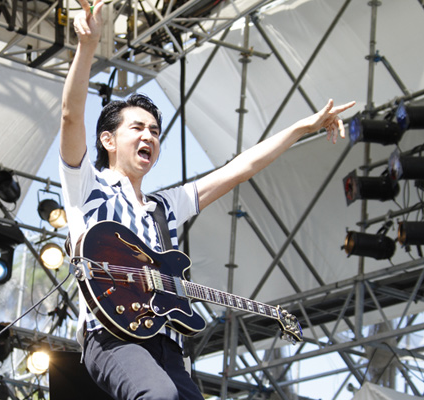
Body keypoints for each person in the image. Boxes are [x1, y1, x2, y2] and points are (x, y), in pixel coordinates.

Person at [58, 1, 356, 399]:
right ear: (108, 140)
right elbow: (70, 115)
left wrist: (302, 127)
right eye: (137, 128)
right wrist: (88, 47)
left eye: (155, 131)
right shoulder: (87, 187)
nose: (149, 136)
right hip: (112, 336)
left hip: (166, 344)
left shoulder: (166, 207)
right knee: (158, 396)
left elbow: (241, 168)